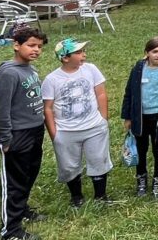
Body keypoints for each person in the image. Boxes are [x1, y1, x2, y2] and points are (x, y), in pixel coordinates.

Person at [0, 25, 47, 240]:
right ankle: (10, 232)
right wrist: (5, 138)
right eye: (31, 45)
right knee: (14, 181)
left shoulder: (29, 69)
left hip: (34, 130)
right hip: (16, 134)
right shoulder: (8, 73)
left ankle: (21, 210)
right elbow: (0, 110)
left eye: (39, 46)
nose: (36, 50)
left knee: (28, 173)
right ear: (16, 45)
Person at [43, 38, 113, 208]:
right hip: (66, 131)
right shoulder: (52, 80)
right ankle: (76, 196)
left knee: (98, 159)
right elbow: (48, 109)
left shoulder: (91, 70)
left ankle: (100, 196)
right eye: (79, 52)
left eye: (83, 51)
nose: (84, 55)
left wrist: (103, 119)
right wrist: (54, 134)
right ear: (65, 58)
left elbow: (101, 94)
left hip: (94, 127)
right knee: (69, 165)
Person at [121, 36, 158, 199]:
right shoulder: (138, 68)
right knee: (141, 149)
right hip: (140, 118)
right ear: (147, 53)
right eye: (155, 51)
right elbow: (129, 92)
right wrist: (128, 116)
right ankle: (141, 179)